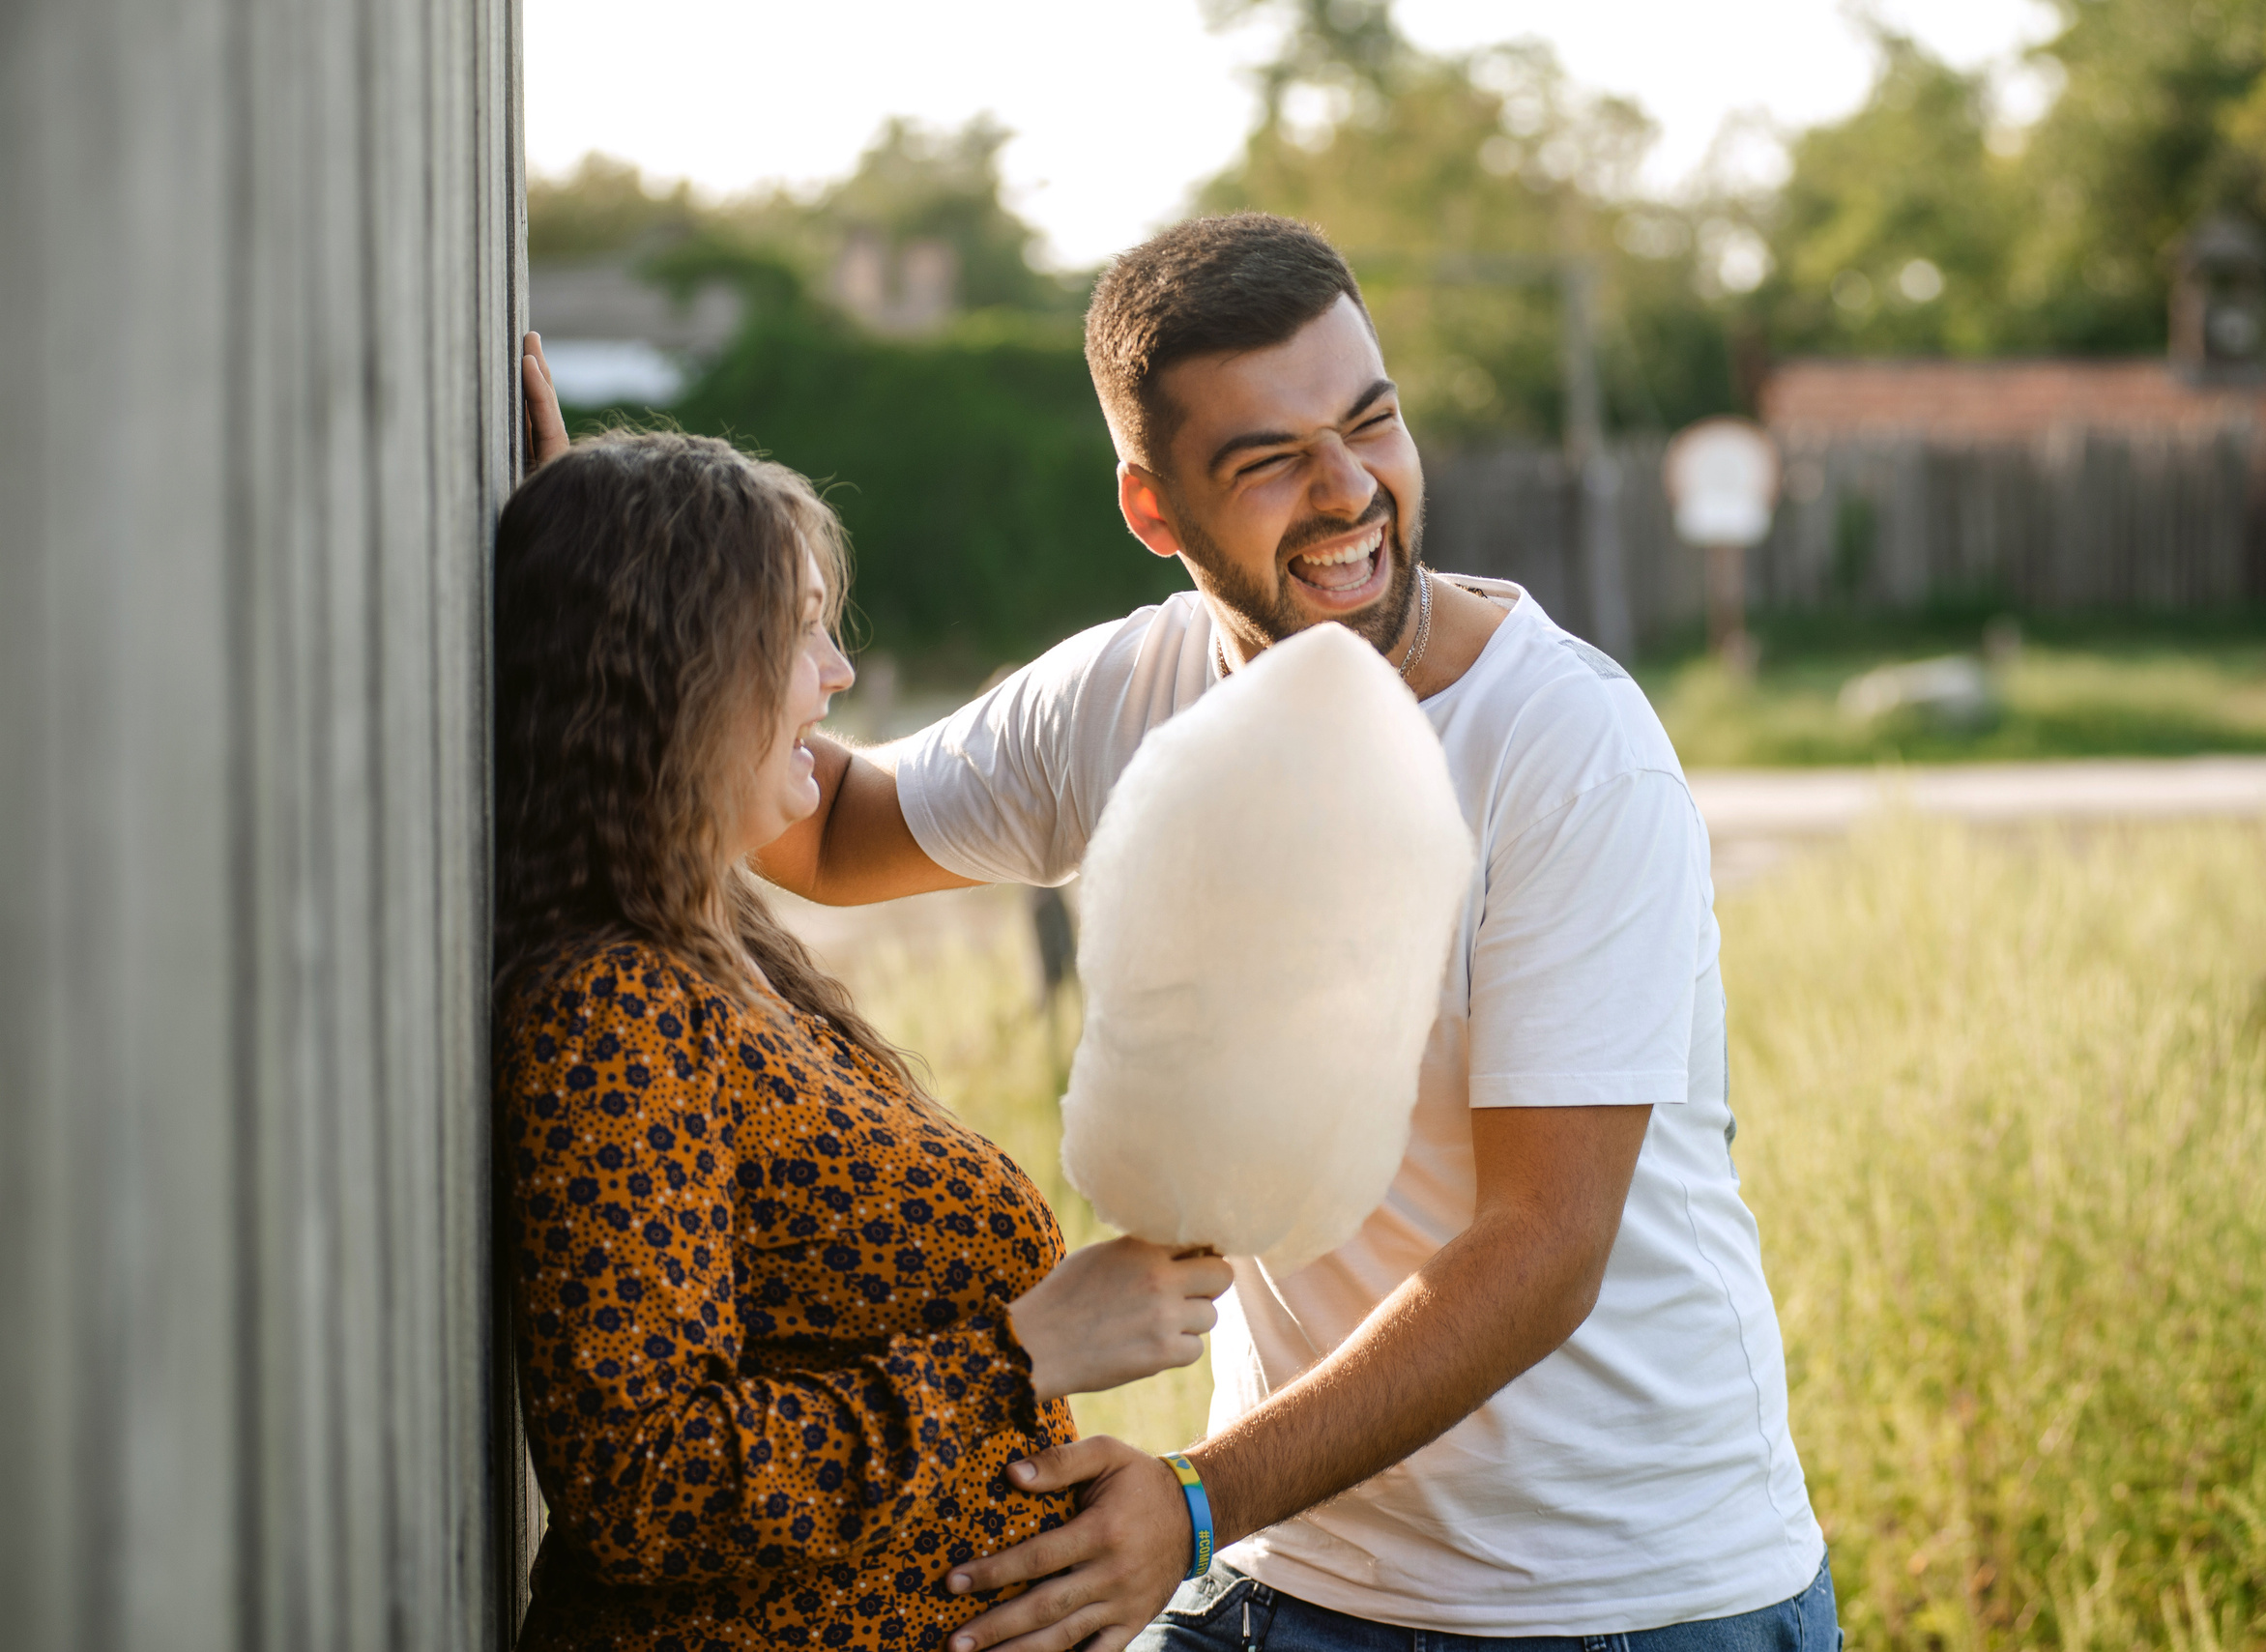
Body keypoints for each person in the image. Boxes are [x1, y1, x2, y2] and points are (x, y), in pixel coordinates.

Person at [524, 206, 1836, 1652]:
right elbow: (830, 830)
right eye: (1270, 460)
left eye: (1372, 423)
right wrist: (624, 590)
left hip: (1614, 1601)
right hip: (1288, 1578)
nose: (1351, 494)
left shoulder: (1567, 748)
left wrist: (1199, 1503)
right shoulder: (1127, 695)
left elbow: (1542, 1245)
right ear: (1155, 511)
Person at [490, 421, 1234, 1652]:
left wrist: (596, 521)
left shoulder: (702, 938)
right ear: (681, 662)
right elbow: (644, 1485)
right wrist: (1019, 1354)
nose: (834, 674)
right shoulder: (611, 1014)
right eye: (797, 631)